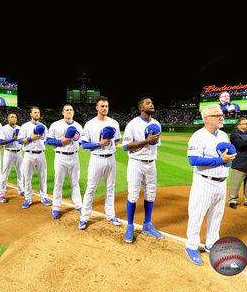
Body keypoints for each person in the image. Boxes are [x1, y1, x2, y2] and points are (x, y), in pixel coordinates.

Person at [185, 104, 236, 265]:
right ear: (206, 119)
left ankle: (211, 244)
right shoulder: (198, 136)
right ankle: (191, 246)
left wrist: (226, 161)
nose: (222, 118)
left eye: (222, 115)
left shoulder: (222, 134)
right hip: (204, 181)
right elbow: (194, 160)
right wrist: (221, 160)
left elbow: (227, 156)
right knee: (197, 215)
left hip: (221, 182)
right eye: (218, 115)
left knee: (217, 215)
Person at [122, 97, 163, 242]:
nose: (151, 104)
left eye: (152, 102)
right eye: (147, 103)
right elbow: (126, 146)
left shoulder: (156, 123)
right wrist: (146, 141)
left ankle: (147, 224)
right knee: (133, 195)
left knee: (151, 194)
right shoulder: (133, 124)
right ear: (140, 108)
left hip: (151, 163)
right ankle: (130, 226)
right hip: (136, 163)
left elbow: (155, 145)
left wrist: (149, 143)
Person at [78, 96, 122, 230]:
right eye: (102, 106)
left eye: (106, 106)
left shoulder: (114, 122)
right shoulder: (90, 124)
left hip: (110, 158)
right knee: (91, 188)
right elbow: (84, 145)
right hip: (96, 158)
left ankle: (111, 215)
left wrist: (108, 145)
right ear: (97, 108)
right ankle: (84, 218)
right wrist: (99, 144)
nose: (105, 108)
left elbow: (117, 141)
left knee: (111, 187)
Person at [46, 104, 84, 219]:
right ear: (63, 112)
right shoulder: (56, 125)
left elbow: (82, 141)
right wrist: (60, 142)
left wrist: (77, 143)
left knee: (75, 182)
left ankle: (78, 204)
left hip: (74, 157)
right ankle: (56, 207)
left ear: (73, 112)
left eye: (71, 110)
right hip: (60, 156)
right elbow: (48, 140)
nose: (69, 112)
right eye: (67, 110)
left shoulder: (78, 126)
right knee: (58, 183)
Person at [17, 106, 51, 208]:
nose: (36, 114)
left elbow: (47, 139)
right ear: (31, 114)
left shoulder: (44, 127)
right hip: (29, 154)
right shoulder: (25, 126)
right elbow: (19, 140)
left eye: (38, 112)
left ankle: (44, 197)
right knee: (27, 177)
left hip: (41, 154)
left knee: (43, 176)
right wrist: (30, 138)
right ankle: (28, 199)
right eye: (35, 112)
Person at [0, 113, 24, 201]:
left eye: (15, 117)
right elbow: (0, 142)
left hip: (19, 152)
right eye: (12, 117)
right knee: (5, 174)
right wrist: (13, 139)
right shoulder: (3, 129)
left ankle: (21, 190)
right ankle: (1, 194)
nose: (14, 119)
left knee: (20, 173)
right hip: (9, 152)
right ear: (8, 119)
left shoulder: (20, 128)